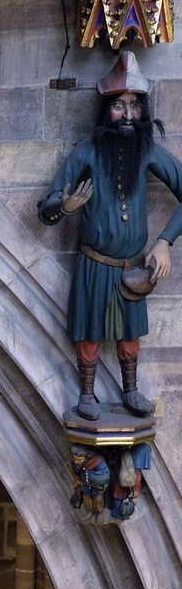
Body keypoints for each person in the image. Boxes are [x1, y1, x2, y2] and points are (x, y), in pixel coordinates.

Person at [39, 50, 182, 420]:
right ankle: (86, 395)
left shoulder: (148, 151)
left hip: (132, 267)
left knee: (130, 336)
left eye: (134, 105)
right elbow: (46, 208)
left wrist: (164, 241)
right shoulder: (86, 152)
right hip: (94, 264)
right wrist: (64, 205)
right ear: (106, 110)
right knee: (88, 333)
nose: (128, 115)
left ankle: (131, 391)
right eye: (119, 105)